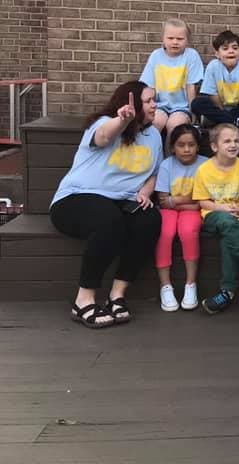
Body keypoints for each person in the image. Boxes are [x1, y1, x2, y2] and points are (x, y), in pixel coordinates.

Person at [50, 81, 163, 328]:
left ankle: (117, 294)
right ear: (129, 104)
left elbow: (154, 172)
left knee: (150, 219)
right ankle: (83, 299)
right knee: (109, 220)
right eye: (148, 100)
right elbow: (102, 138)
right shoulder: (103, 123)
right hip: (76, 199)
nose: (155, 104)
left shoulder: (153, 135)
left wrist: (145, 192)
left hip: (122, 202)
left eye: (155, 99)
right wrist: (122, 121)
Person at [192, 123, 239, 314]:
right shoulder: (204, 169)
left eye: (236, 140)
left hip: (238, 218)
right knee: (226, 222)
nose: (233, 144)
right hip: (213, 216)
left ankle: (227, 292)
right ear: (214, 146)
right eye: (227, 141)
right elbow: (202, 201)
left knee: (229, 243)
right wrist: (221, 208)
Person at [155, 123, 207, 312]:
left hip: (192, 212)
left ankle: (190, 284)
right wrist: (190, 201)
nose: (186, 149)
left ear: (198, 146)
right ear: (172, 147)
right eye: (181, 145)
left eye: (191, 144)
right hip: (170, 211)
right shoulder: (167, 165)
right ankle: (165, 286)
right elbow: (162, 201)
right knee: (165, 232)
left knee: (188, 231)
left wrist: (175, 200)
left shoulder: (205, 164)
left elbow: (202, 199)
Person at [140, 18, 203, 143]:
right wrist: (146, 110)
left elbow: (191, 87)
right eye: (170, 38)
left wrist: (194, 114)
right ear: (163, 39)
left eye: (180, 39)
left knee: (175, 126)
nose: (175, 42)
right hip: (159, 105)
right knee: (155, 123)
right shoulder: (156, 56)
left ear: (187, 41)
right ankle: (151, 156)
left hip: (182, 107)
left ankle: (169, 159)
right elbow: (149, 87)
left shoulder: (191, 56)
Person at [191, 30, 239, 127]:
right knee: (197, 103)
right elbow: (212, 94)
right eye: (225, 49)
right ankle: (236, 121)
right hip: (218, 107)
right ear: (217, 54)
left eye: (235, 48)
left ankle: (217, 120)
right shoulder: (213, 66)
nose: (231, 51)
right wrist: (222, 111)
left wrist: (230, 113)